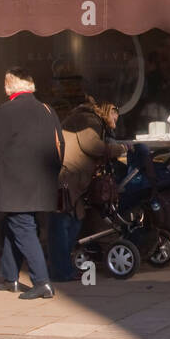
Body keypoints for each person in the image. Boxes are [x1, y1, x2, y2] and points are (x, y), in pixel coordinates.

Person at [0, 67, 64, 300]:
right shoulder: (47, 110)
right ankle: (9, 277)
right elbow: (60, 143)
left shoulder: (7, 111)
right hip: (41, 181)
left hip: (16, 182)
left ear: (9, 86)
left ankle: (42, 282)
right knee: (16, 224)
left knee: (23, 227)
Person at [55, 97, 128, 279]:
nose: (115, 123)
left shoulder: (87, 119)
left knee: (74, 220)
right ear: (107, 112)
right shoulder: (89, 120)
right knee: (64, 222)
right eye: (114, 117)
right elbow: (92, 146)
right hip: (67, 178)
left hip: (72, 178)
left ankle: (64, 266)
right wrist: (120, 149)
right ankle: (61, 270)